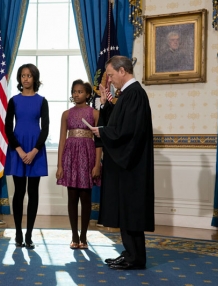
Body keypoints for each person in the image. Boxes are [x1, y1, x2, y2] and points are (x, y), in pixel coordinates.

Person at [89, 55, 155, 270]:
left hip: (131, 165)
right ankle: (129, 253)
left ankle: (135, 258)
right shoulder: (127, 95)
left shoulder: (135, 94)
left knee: (132, 211)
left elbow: (127, 131)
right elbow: (116, 122)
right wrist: (105, 103)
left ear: (122, 71)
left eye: (110, 75)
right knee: (127, 211)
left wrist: (101, 131)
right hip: (126, 165)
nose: (110, 80)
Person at [5, 63, 49, 249]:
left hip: (36, 151)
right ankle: (18, 232)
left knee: (33, 193)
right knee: (19, 192)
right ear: (19, 79)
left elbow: (45, 129)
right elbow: (8, 128)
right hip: (18, 150)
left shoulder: (42, 101)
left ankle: (29, 234)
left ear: (35, 79)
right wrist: (20, 151)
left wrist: (34, 151)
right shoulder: (13, 101)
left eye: (29, 75)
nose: (26, 78)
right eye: (23, 75)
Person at [56, 80, 102, 249]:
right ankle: (74, 235)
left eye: (80, 91)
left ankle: (84, 235)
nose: (76, 94)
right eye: (74, 91)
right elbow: (62, 140)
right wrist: (60, 165)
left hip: (88, 157)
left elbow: (99, 142)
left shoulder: (95, 114)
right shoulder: (66, 114)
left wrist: (97, 165)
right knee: (72, 197)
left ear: (88, 94)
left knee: (86, 198)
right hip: (70, 157)